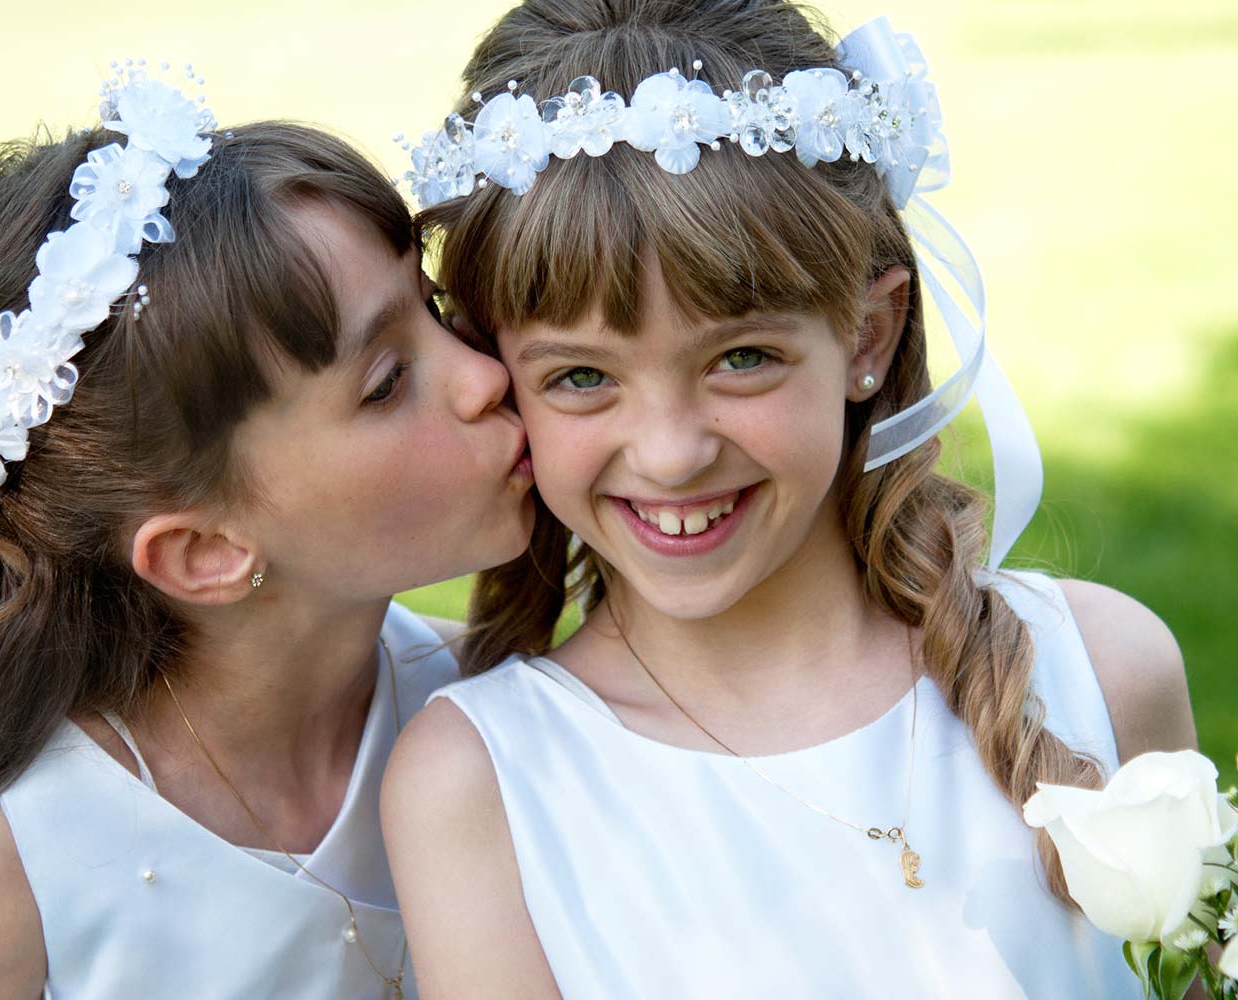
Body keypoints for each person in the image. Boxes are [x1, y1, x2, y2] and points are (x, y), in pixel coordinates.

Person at [382, 2, 1197, 996]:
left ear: (867, 335)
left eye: (741, 358)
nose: (673, 453)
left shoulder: (1103, 674)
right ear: (500, 369)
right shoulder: (480, 788)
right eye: (583, 377)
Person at [0, 65, 532, 999]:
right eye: (387, 383)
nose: (484, 374)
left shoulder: (490, 706)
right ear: (205, 552)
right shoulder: (23, 854)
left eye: (432, 309)